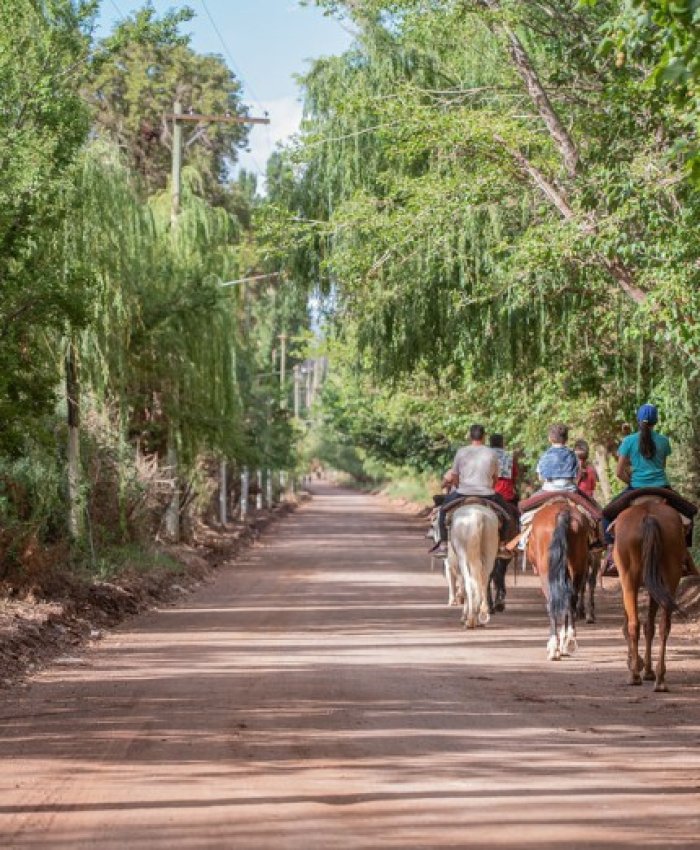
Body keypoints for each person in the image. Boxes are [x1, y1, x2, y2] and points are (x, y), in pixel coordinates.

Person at [603, 403, 696, 574]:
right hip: (662, 488)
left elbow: (619, 472)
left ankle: (610, 553)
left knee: (606, 514)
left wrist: (630, 481)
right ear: (656, 421)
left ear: (638, 420)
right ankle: (683, 554)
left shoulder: (628, 441)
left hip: (636, 488)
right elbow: (662, 466)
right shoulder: (663, 441)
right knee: (689, 513)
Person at [429, 424, 514, 556]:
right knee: (507, 515)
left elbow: (455, 475)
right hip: (487, 493)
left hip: (463, 492)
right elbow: (495, 477)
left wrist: (458, 487)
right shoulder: (491, 453)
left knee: (442, 512)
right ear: (484, 437)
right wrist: (489, 486)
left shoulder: (461, 452)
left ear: (470, 436)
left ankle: (444, 544)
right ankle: (502, 545)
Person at [535, 423, 579, 493]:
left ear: (549, 439)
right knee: (589, 502)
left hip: (548, 489)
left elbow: (540, 478)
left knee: (531, 500)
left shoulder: (544, 455)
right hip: (569, 489)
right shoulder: (572, 455)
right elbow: (577, 476)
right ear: (566, 439)